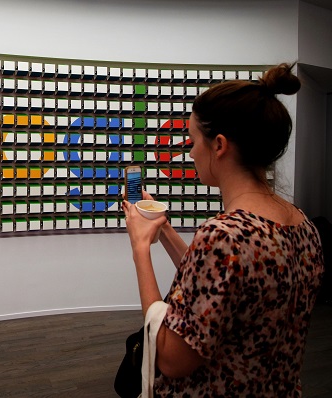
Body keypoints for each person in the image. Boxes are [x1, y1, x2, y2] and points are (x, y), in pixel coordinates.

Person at [121, 63, 325, 397]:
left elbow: (172, 359)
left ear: (219, 145)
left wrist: (140, 249)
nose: (190, 152)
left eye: (192, 140)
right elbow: (220, 287)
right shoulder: (302, 224)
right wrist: (165, 231)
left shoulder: (224, 236)